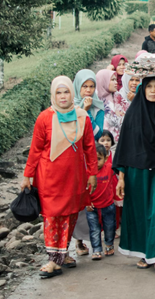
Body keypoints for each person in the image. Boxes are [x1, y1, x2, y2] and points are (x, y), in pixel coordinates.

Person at [21, 76, 97, 278]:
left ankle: (62, 255)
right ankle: (53, 260)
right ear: (53, 95)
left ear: (72, 93)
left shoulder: (82, 117)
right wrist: (27, 175)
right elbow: (35, 150)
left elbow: (89, 148)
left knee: (70, 215)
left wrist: (92, 174)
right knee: (52, 217)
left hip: (74, 177)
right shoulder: (44, 118)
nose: (63, 97)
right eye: (58, 92)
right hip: (49, 178)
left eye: (66, 92)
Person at [113, 61, 155, 277]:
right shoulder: (134, 114)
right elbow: (124, 147)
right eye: (148, 86)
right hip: (137, 170)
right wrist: (121, 177)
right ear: (143, 89)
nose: (152, 91)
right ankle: (145, 252)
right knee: (141, 212)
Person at [86, 144, 116, 261]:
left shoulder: (109, 168)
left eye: (99, 159)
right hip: (91, 208)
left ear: (105, 158)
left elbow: (121, 169)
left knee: (109, 227)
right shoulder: (87, 172)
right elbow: (83, 189)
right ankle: (97, 249)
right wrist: (86, 203)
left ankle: (109, 245)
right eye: (92, 159)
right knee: (94, 229)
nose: (95, 162)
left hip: (108, 205)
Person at [109, 73, 141, 143]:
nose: (134, 83)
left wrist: (135, 101)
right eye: (131, 80)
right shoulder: (118, 96)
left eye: (137, 80)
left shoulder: (145, 96)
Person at [73, 69, 104, 140]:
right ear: (78, 86)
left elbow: (97, 134)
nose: (88, 90)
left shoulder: (98, 106)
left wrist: (87, 112)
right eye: (85, 86)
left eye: (91, 86)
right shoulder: (69, 105)